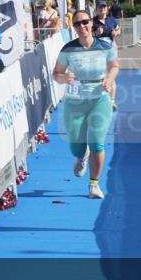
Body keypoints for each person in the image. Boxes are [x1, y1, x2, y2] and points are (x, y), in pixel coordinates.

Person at [52, 10, 119, 200]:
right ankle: (82, 156)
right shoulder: (68, 49)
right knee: (76, 146)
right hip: (75, 102)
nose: (82, 27)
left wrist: (109, 79)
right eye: (77, 24)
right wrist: (64, 77)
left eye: (85, 22)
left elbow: (114, 66)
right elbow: (55, 74)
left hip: (100, 99)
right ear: (73, 28)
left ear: (92, 23)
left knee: (97, 142)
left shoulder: (104, 46)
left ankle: (94, 185)